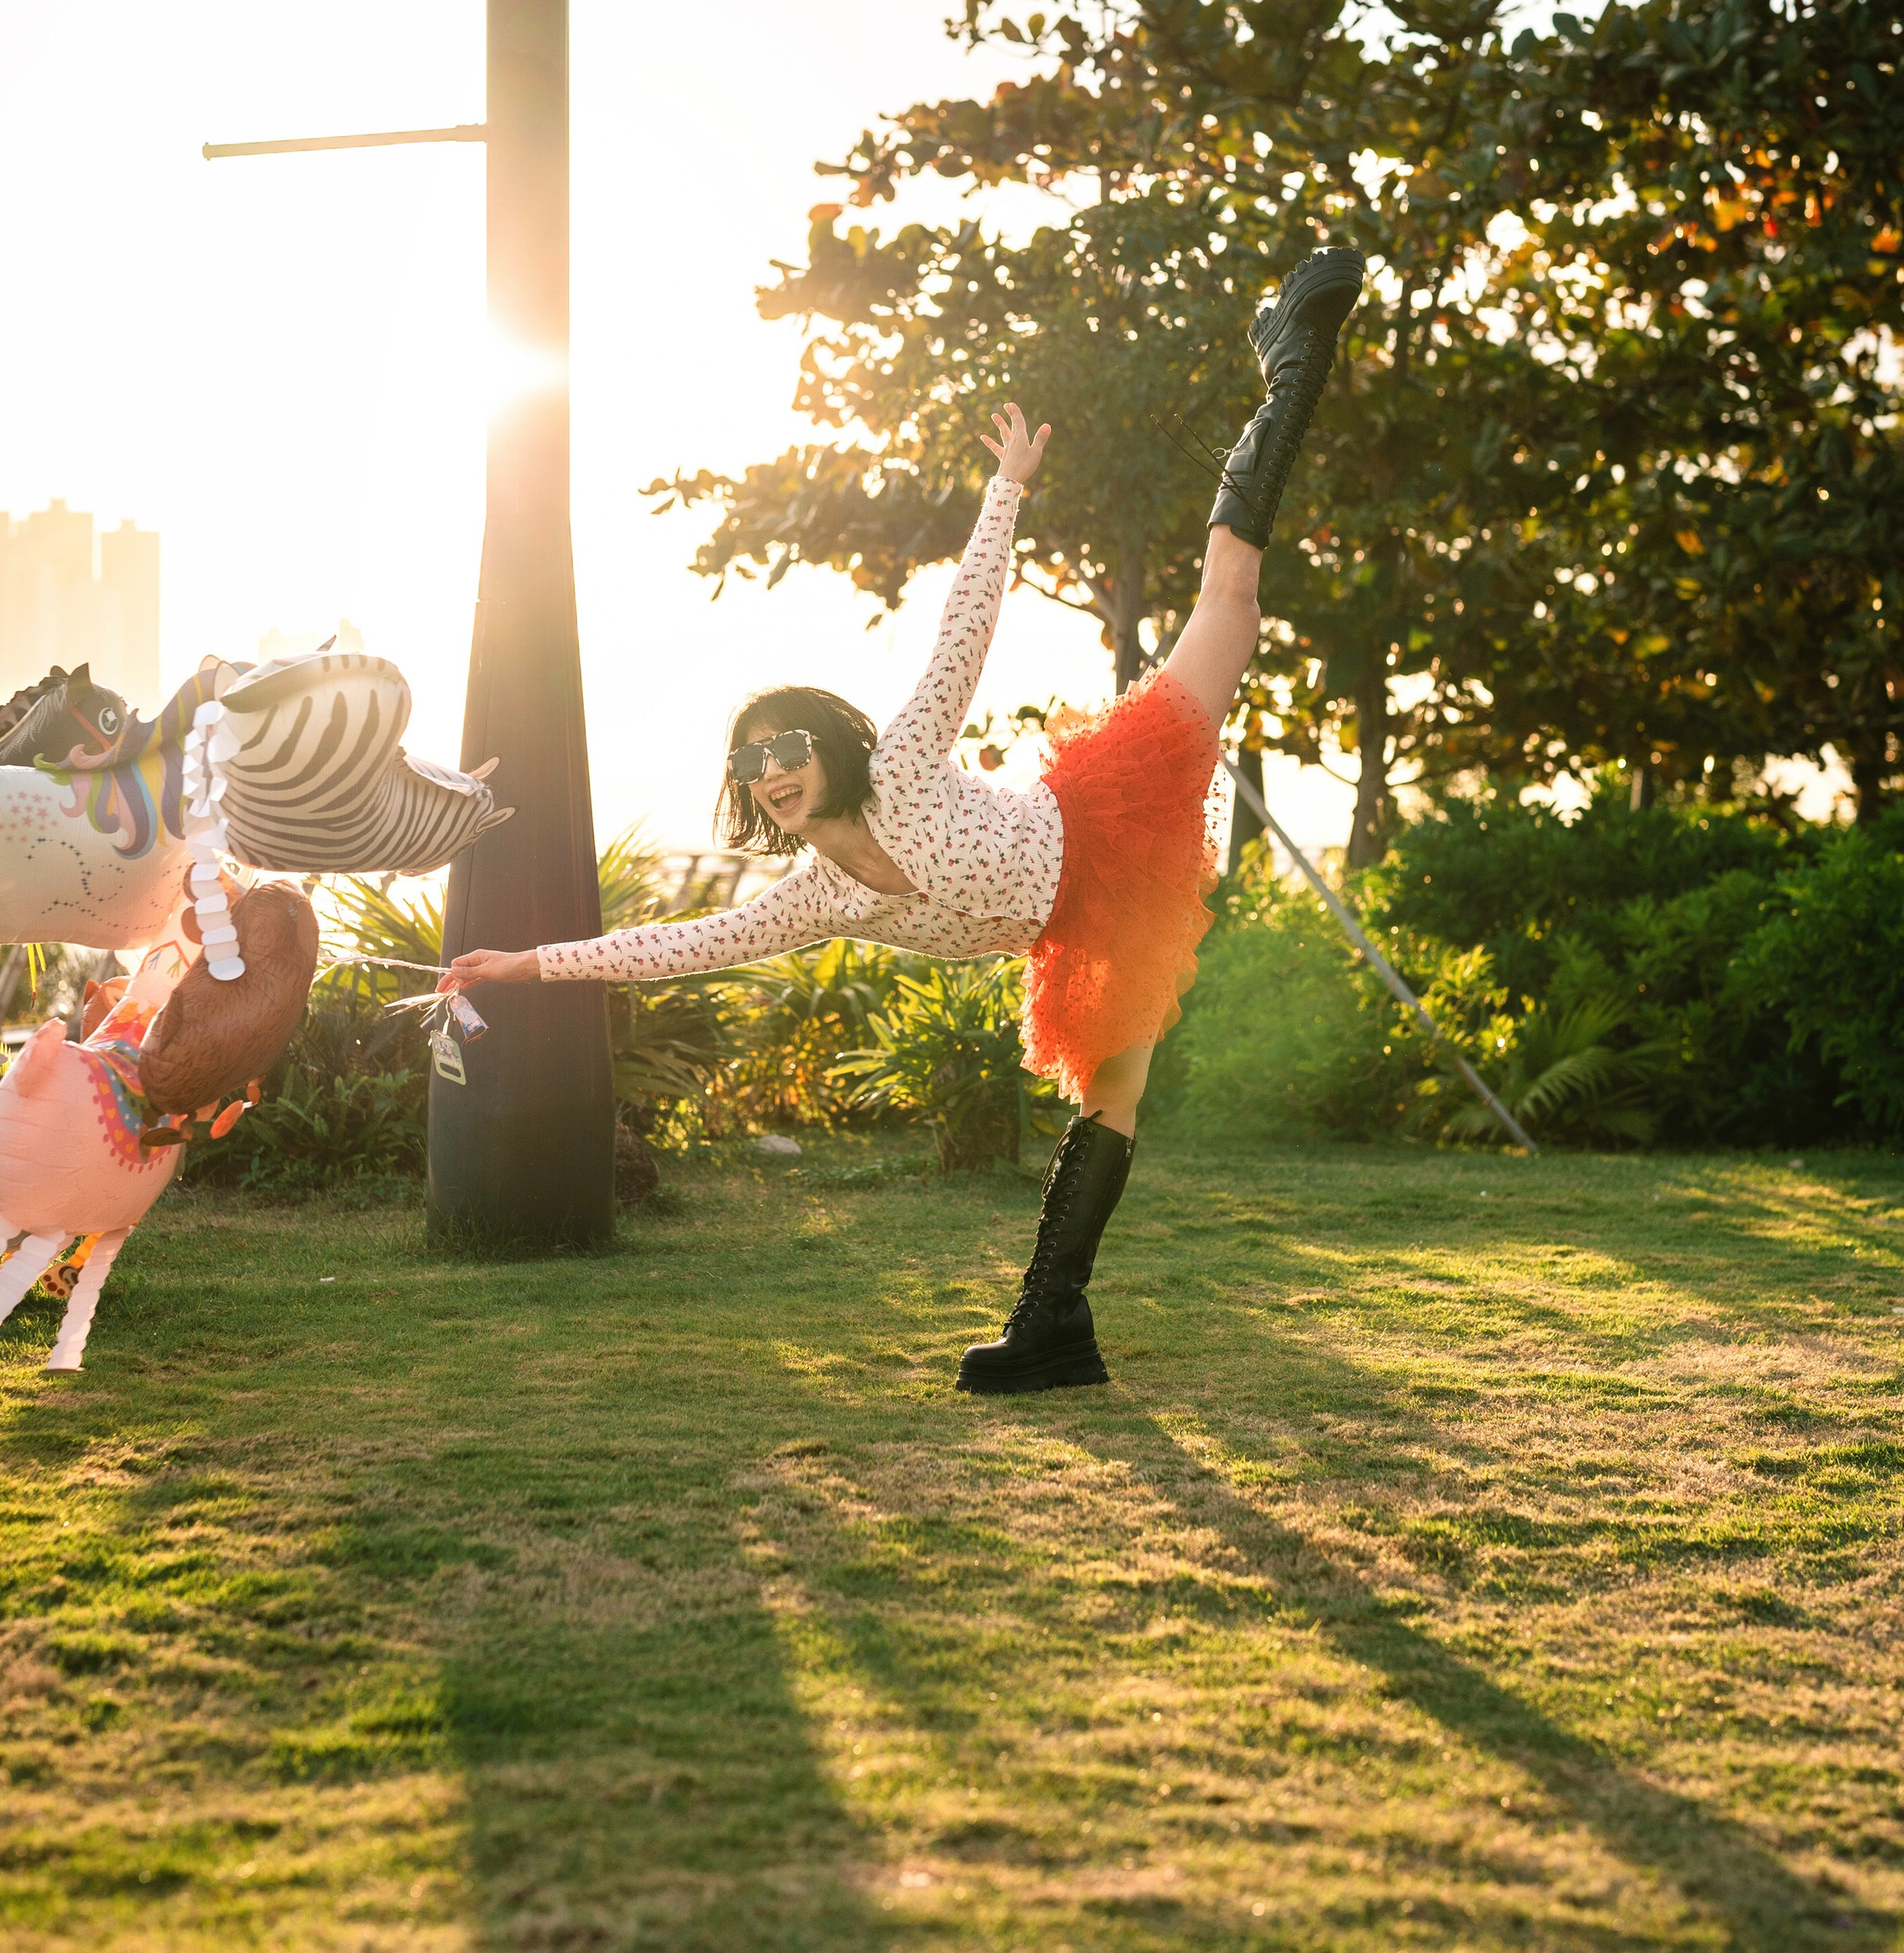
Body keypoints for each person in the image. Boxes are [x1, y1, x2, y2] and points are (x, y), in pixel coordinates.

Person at [442, 248, 1366, 1392]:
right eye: (753, 764)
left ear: (828, 750)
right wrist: (522, 965)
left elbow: (962, 632)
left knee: (1232, 595)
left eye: (788, 748)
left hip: (1105, 811)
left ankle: (1292, 361)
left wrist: (1009, 488)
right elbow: (676, 946)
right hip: (1086, 932)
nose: (774, 772)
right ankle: (1054, 1327)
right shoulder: (813, 897)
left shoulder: (902, 761)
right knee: (1111, 1099)